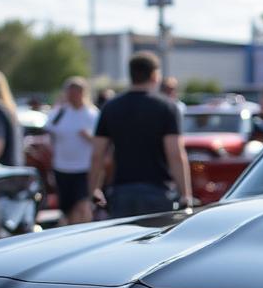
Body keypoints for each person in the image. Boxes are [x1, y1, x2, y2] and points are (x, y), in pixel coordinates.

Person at [89, 51, 191, 218]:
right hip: (158, 191)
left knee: (123, 242)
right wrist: (185, 194)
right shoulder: (167, 107)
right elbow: (175, 154)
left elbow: (97, 154)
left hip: (121, 191)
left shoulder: (111, 107)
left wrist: (93, 189)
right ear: (154, 75)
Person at [47, 76, 98, 225]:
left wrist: (88, 137)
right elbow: (49, 131)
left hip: (83, 168)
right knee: (66, 207)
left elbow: (100, 143)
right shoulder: (60, 112)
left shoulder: (92, 114)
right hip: (62, 167)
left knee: (81, 205)